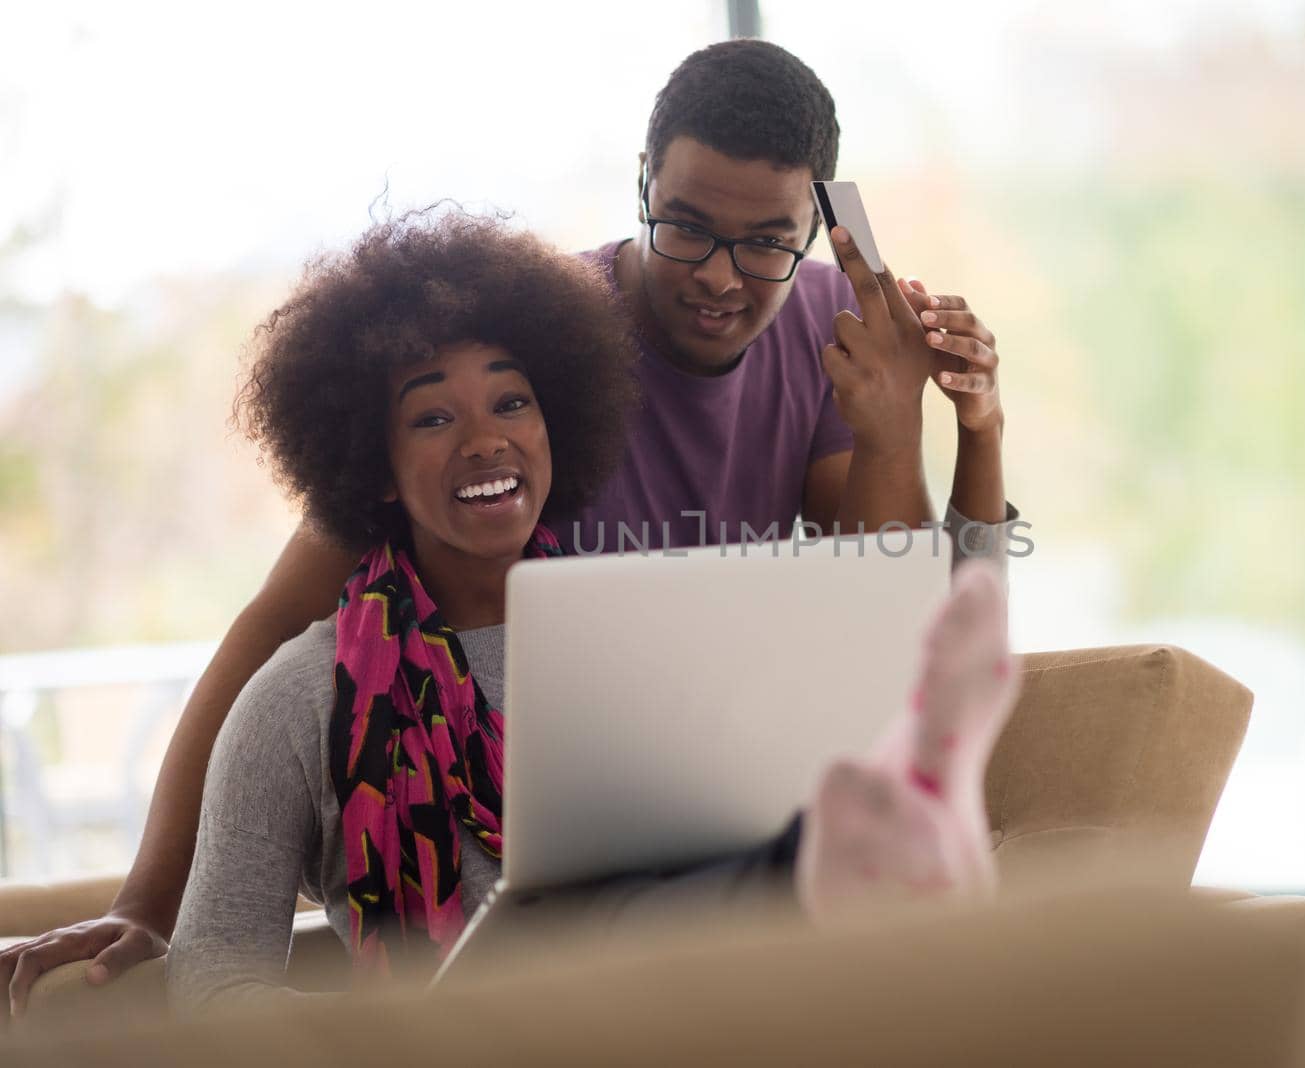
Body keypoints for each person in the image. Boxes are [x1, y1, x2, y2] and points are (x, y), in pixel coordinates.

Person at [1, 38, 1015, 1014]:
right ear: (642, 188)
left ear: (821, 225)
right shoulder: (522, 346)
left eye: (766, 242)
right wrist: (145, 904)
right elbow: (275, 635)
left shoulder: (836, 329)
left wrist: (920, 430)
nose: (718, 274)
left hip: (696, 810)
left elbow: (879, 623)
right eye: (686, 226)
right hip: (534, 892)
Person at [162, 212, 1019, 1008]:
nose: (485, 440)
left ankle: (888, 844)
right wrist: (403, 1039)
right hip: (462, 1033)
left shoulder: (639, 635)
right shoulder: (296, 701)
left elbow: (887, 628)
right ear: (375, 468)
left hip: (668, 1013)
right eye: (432, 417)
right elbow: (208, 988)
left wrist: (979, 433)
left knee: (755, 859)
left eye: (511, 402)